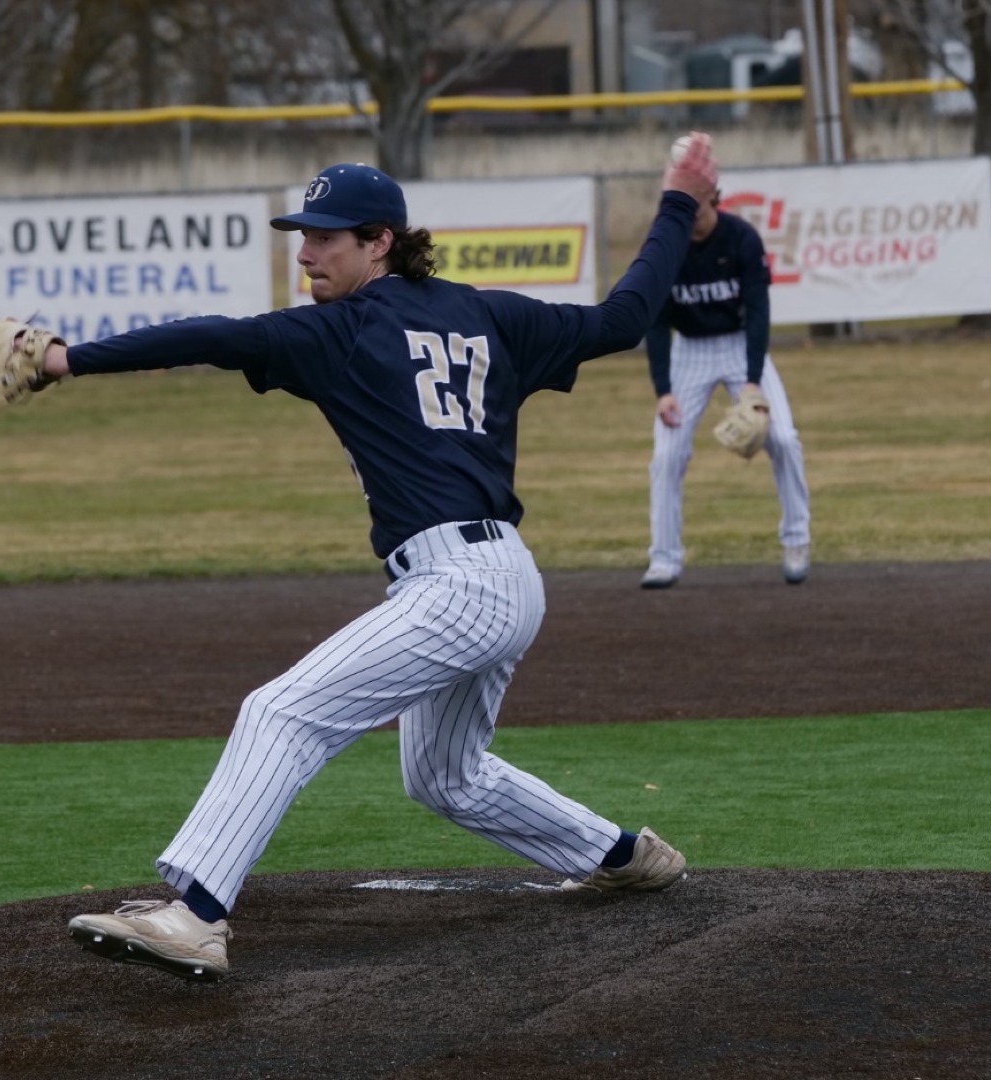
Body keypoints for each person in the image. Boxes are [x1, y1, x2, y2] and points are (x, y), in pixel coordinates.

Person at [48, 141, 719, 981]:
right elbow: (623, 318)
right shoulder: (488, 313)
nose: (306, 252)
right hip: (506, 576)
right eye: (303, 234)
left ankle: (197, 916)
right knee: (444, 776)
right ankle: (621, 855)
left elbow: (214, 337)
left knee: (281, 714)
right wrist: (675, 205)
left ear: (380, 243)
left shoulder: (342, 329)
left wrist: (65, 359)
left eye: (326, 236)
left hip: (457, 586)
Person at [639, 189, 811, 588]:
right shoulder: (666, 244)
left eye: (695, 202)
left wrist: (752, 381)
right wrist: (663, 390)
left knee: (783, 439)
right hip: (689, 352)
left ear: (713, 199)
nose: (688, 212)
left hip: (740, 345)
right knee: (667, 454)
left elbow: (759, 311)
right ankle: (664, 558)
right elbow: (657, 323)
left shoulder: (741, 238)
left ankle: (797, 540)